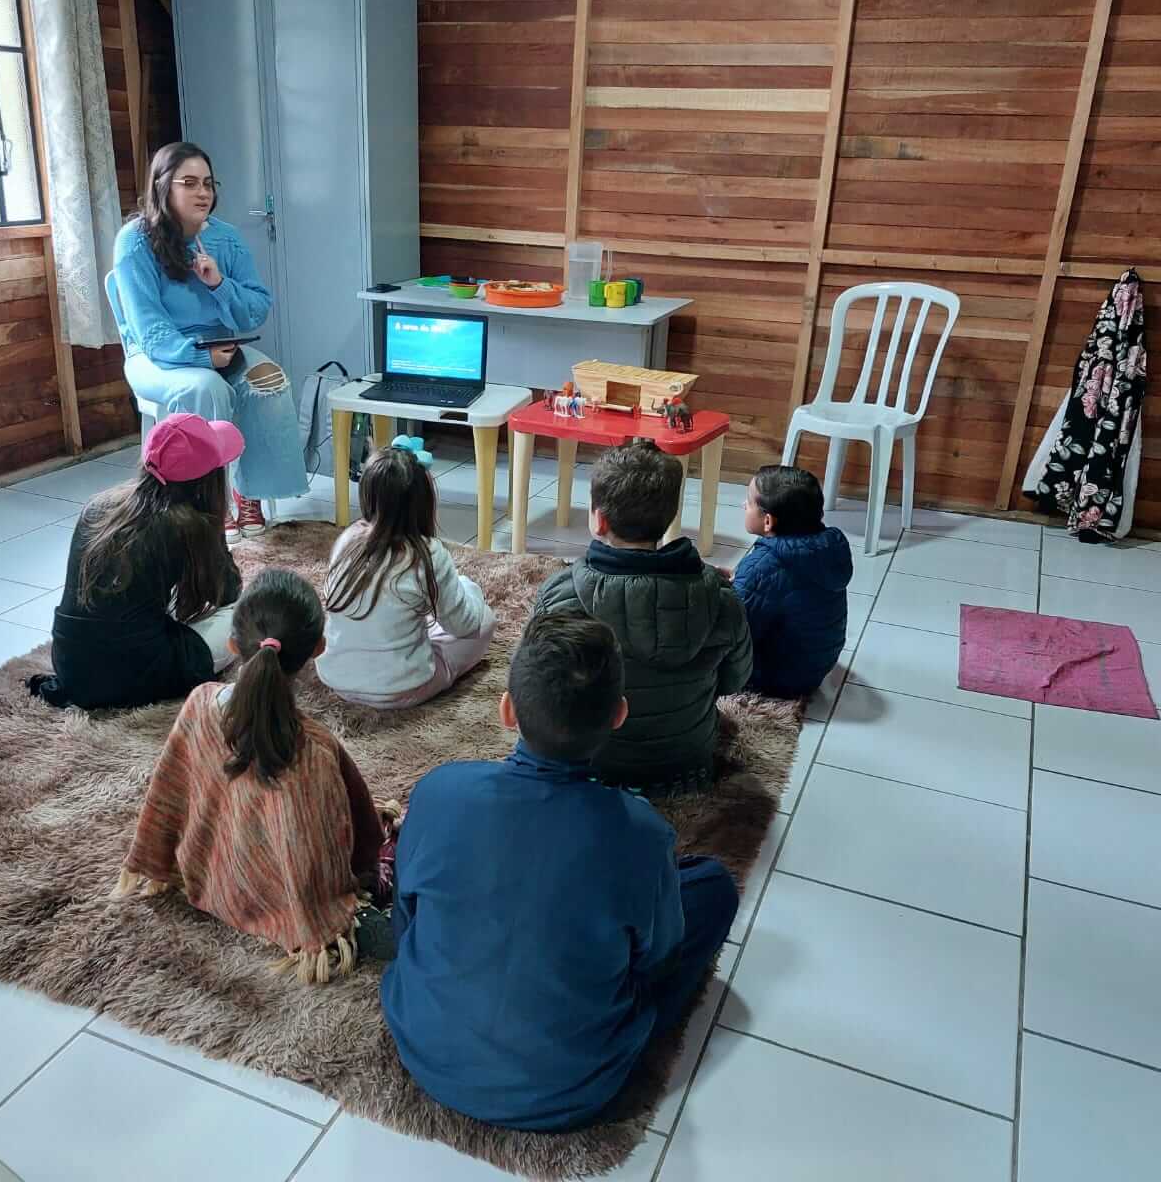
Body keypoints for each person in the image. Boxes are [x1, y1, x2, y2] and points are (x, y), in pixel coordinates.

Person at [381, 611, 739, 1131]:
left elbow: (406, 913)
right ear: (619, 715)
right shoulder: (641, 833)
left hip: (424, 1049)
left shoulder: (440, 790)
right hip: (574, 1088)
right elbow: (657, 958)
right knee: (712, 888)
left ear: (507, 709)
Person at [116, 569, 399, 982]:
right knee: (410, 906)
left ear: (234, 644)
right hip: (288, 899)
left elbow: (171, 796)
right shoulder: (313, 749)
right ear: (318, 649)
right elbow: (338, 850)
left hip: (207, 876)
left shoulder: (199, 702)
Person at [530, 441, 751, 798]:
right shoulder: (723, 600)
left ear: (598, 520)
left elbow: (538, 690)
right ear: (669, 517)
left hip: (589, 767)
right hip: (687, 766)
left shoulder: (558, 596)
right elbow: (734, 681)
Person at [111, 140, 307, 537]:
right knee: (206, 388)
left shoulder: (226, 238)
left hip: (219, 346)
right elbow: (149, 329)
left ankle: (249, 491)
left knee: (268, 380)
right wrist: (201, 359)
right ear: (162, 185)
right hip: (156, 357)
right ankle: (206, 501)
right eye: (189, 183)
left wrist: (218, 283)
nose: (203, 192)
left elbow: (256, 309)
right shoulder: (134, 241)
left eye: (208, 183)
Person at [28, 413, 242, 711]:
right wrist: (214, 527)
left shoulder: (100, 505)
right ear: (209, 481)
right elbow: (228, 591)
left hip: (70, 666)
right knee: (243, 612)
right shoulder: (189, 525)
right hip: (134, 677)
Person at [315, 445, 497, 708]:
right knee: (485, 620)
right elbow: (466, 624)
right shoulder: (428, 553)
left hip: (336, 679)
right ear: (424, 503)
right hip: (400, 689)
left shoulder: (348, 539)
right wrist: (469, 587)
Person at [734, 465, 853, 699]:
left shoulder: (762, 566)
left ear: (768, 521)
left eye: (749, 502)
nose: (743, 505)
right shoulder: (827, 549)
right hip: (816, 665)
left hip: (776, 678)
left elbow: (734, 631)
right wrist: (741, 582)